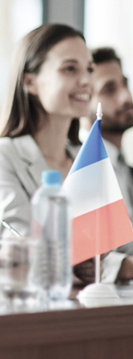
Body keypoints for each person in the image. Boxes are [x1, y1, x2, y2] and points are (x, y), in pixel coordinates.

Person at [0, 24, 99, 284]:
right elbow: (22, 249)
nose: (86, 80)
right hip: (32, 310)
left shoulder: (90, 158)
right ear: (30, 82)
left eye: (90, 69)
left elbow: (121, 244)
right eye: (70, 68)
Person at [78, 47, 133, 282]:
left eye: (125, 84)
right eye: (109, 89)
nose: (126, 97)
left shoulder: (125, 168)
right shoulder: (79, 170)